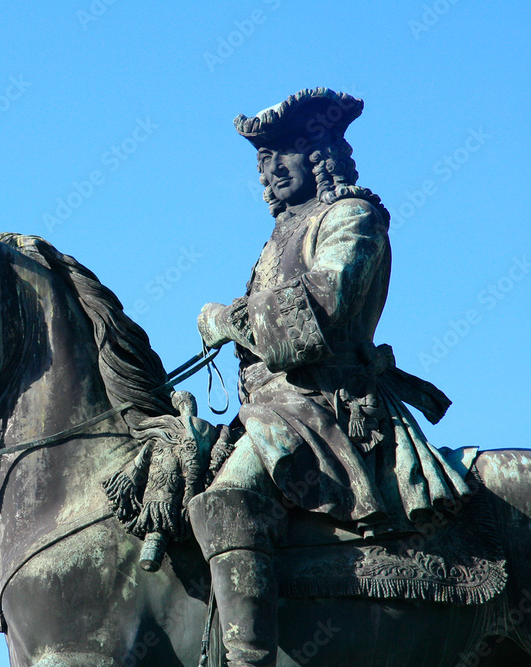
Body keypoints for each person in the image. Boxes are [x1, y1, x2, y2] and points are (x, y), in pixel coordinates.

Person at [188, 88, 472, 666]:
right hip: (271, 408)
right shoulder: (277, 240)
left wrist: (228, 319)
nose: (268, 174)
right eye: (261, 164)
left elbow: (324, 307)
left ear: (317, 153)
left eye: (279, 157)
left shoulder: (352, 216)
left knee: (228, 499)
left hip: (327, 402)